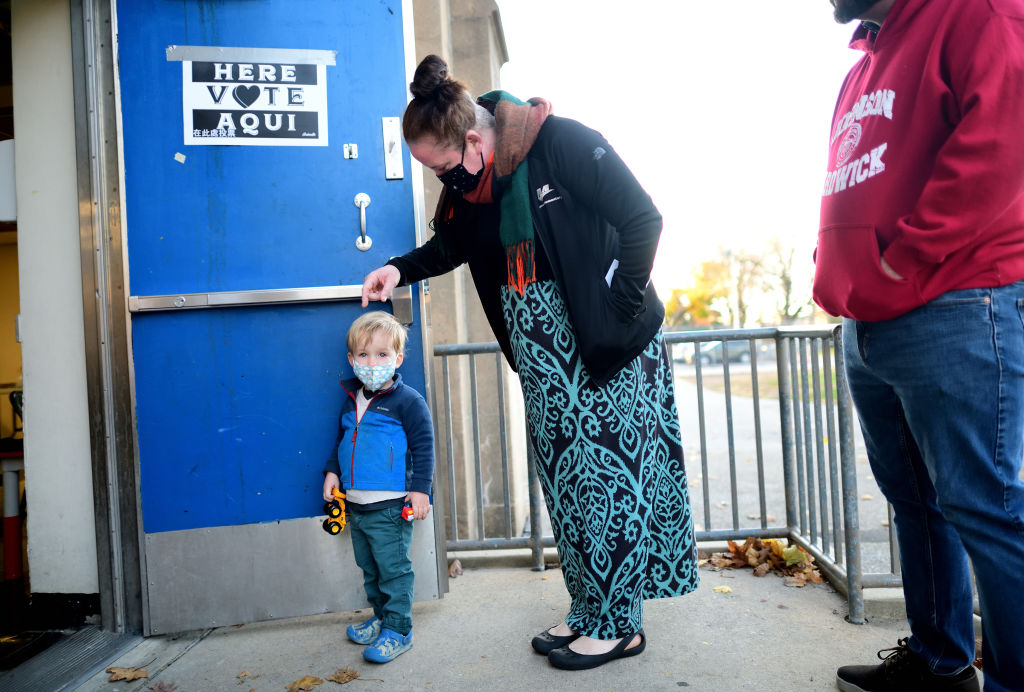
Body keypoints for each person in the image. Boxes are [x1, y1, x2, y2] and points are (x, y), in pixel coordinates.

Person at [361, 54, 698, 671]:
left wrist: (614, 310)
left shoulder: (561, 143)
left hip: (605, 349)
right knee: (568, 486)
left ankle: (621, 625)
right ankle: (589, 607)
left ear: (471, 138)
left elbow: (642, 219)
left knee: (608, 481)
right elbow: (453, 246)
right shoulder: (475, 188)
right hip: (545, 365)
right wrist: (399, 269)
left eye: (441, 166)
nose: (445, 182)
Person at [815, 1, 1024, 690]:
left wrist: (900, 262)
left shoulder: (978, 12)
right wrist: (835, 270)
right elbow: (855, 177)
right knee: (913, 499)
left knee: (984, 507)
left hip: (956, 301)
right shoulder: (866, 59)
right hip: (870, 317)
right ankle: (941, 664)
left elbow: (1002, 148)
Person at [322, 311, 434, 664]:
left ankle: (399, 629)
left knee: (393, 569)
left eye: (382, 355)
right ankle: (382, 617)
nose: (373, 363)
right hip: (356, 504)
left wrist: (420, 490)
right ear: (352, 360)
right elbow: (342, 440)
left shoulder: (408, 401)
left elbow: (424, 447)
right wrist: (332, 472)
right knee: (370, 568)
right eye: (364, 355)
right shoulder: (351, 399)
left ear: (398, 359)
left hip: (390, 506)